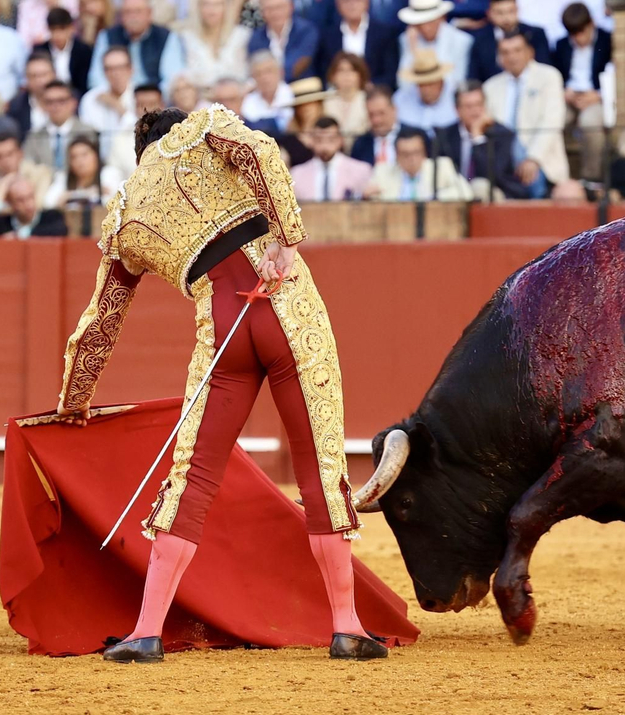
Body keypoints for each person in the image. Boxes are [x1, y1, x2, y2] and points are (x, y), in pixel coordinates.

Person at [57, 106, 386, 662]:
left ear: (140, 154)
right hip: (287, 308)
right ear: (175, 129)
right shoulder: (204, 127)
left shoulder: (125, 212)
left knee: (192, 475)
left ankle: (146, 631)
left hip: (222, 334)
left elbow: (102, 320)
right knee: (320, 467)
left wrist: (73, 400)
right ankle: (347, 626)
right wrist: (286, 237)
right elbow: (259, 151)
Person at [483, 27, 568, 182]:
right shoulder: (490, 86)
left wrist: (533, 159)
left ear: (530, 52)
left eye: (517, 50)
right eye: (505, 52)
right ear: (499, 57)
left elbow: (552, 121)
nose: (512, 57)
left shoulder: (549, 76)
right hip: (501, 159)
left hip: (539, 158)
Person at [436, 78, 539, 198]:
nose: (475, 111)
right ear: (457, 110)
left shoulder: (502, 134)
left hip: (498, 195)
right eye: (468, 106)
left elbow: (493, 176)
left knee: (479, 187)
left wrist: (478, 138)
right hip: (457, 196)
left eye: (479, 104)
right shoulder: (445, 136)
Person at [88, 0, 185, 96]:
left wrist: (150, 97)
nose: (133, 17)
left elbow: (172, 78)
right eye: (127, 12)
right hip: (115, 99)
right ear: (121, 16)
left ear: (149, 13)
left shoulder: (166, 37)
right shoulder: (107, 36)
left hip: (154, 101)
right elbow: (96, 78)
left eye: (138, 11)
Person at [550, 1, 607, 181]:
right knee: (553, 120)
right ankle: (557, 176)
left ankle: (590, 179)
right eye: (572, 34)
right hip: (569, 97)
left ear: (591, 24)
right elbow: (556, 75)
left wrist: (598, 95)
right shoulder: (561, 45)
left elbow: (616, 75)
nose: (578, 38)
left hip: (597, 97)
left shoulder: (607, 40)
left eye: (581, 32)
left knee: (589, 122)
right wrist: (565, 93)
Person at [316, 0, 398, 87]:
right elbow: (323, 72)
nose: (352, 4)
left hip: (374, 97)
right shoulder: (327, 35)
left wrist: (370, 88)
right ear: (337, 4)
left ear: (367, 2)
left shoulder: (385, 33)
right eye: (346, 0)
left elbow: (390, 74)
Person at [369, 126, 468, 199]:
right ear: (397, 156)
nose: (411, 159)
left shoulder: (441, 166)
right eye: (405, 154)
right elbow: (370, 197)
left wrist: (433, 198)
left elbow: (466, 193)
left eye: (416, 152)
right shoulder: (382, 171)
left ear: (424, 153)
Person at [247, 0, 320, 83]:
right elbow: (257, 68)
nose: (275, 13)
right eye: (269, 9)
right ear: (262, 12)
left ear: (291, 7)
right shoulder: (256, 38)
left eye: (279, 7)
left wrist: (269, 78)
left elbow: (298, 65)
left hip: (302, 91)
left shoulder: (306, 31)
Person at [182, 0, 251, 89]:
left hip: (237, 96)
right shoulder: (187, 38)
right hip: (201, 97)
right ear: (199, 8)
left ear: (226, 7)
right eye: (206, 4)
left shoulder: (241, 35)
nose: (211, 9)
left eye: (217, 4)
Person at [290, 114, 371, 200]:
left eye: (331, 140)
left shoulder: (360, 171)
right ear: (312, 141)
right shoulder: (297, 175)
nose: (325, 146)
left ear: (340, 140)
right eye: (319, 140)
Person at [25, 80, 98, 171]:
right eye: (49, 102)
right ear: (43, 106)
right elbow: (28, 168)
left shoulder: (88, 132)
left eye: (61, 101)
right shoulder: (34, 136)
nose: (56, 106)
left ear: (73, 103)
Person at [0, 174, 67, 236]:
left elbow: (60, 230)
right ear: (10, 203)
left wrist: (19, 235)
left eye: (30, 197)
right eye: (20, 200)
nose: (28, 204)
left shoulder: (52, 216)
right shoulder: (3, 223)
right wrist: (2, 189)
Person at [50, 133, 122, 207]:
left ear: (96, 156)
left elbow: (113, 199)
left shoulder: (109, 173)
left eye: (84, 155)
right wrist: (91, 192)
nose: (80, 161)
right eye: (74, 157)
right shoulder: (63, 177)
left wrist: (70, 196)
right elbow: (48, 202)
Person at [321, 51, 370, 137]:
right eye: (341, 70)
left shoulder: (369, 101)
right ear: (333, 76)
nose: (346, 75)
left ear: (360, 75)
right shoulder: (324, 102)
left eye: (352, 70)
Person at [349, 84, 397, 165]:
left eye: (381, 113)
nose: (376, 120)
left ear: (393, 110)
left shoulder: (412, 138)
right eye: (371, 115)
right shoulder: (360, 145)